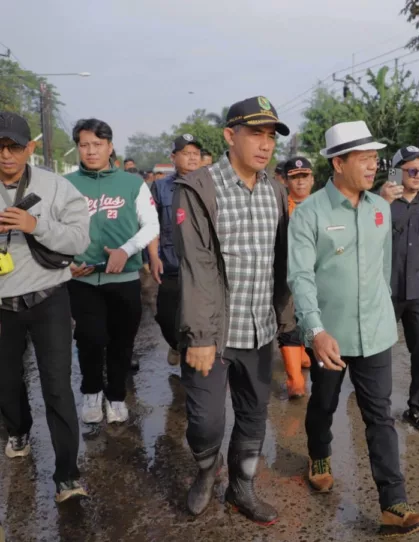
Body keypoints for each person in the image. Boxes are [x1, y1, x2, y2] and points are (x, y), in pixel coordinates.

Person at [288, 121, 419, 537]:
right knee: (324, 404)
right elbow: (301, 278)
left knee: (380, 417)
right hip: (329, 338)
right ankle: (318, 455)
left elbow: (383, 271)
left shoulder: (379, 209)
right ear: (338, 162)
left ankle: (393, 504)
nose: (374, 165)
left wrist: (384, 315)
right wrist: (315, 331)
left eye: (375, 158)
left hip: (375, 334)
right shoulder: (311, 213)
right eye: (364, 158)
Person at [172, 96, 294, 524]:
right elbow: (197, 266)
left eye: (271, 136)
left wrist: (288, 322)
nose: (265, 145)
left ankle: (242, 487)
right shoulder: (199, 187)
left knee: (253, 416)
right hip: (215, 333)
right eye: (255, 133)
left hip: (258, 330)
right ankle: (207, 471)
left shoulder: (276, 191)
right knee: (205, 421)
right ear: (230, 135)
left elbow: (282, 263)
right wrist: (202, 336)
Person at [0, 112, 91, 502]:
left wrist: (34, 225)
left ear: (30, 149)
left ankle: (67, 475)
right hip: (2, 304)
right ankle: (17, 428)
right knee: (5, 382)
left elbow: (78, 242)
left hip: (49, 297)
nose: (6, 155)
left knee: (57, 387)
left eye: (15, 147)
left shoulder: (56, 187)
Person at [65, 118, 159, 424]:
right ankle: (91, 391)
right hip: (82, 278)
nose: (91, 151)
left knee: (122, 341)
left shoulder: (133, 184)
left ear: (110, 147)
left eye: (97, 144)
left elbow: (152, 226)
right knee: (90, 339)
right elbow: (51, 228)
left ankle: (117, 395)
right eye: (84, 145)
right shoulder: (66, 184)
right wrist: (65, 260)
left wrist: (126, 250)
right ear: (77, 147)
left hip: (125, 279)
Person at [379, 146, 419, 431]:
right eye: (412, 170)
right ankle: (376, 404)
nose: (418, 176)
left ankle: (417, 409)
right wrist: (381, 201)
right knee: (379, 349)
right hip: (386, 288)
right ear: (397, 172)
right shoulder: (382, 203)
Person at [148, 134, 202, 366]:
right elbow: (151, 223)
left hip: (201, 266)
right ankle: (175, 344)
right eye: (186, 153)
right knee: (165, 315)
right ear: (173, 157)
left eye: (195, 154)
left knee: (199, 318)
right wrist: (151, 256)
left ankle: (193, 361)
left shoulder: (210, 185)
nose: (192, 158)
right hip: (170, 262)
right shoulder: (160, 187)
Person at [277, 156, 314, 399]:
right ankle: (294, 381)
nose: (300, 182)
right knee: (288, 325)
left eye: (304, 177)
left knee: (311, 324)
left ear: (312, 179)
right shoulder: (277, 206)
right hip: (285, 276)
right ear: (285, 180)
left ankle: (303, 356)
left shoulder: (325, 206)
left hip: (317, 278)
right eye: (294, 177)